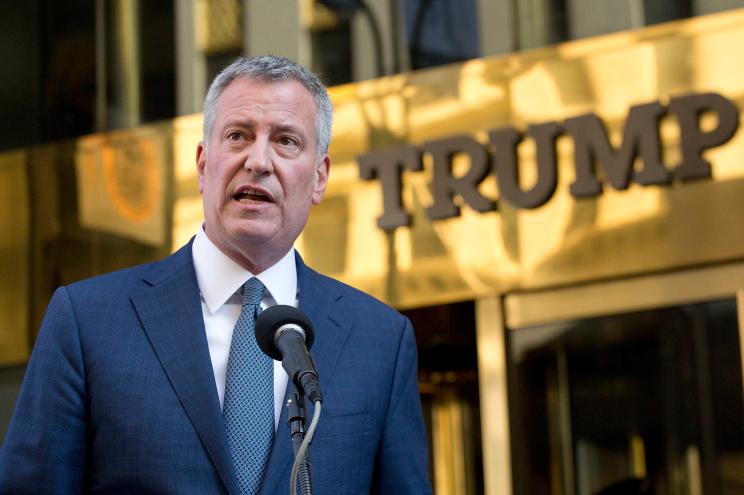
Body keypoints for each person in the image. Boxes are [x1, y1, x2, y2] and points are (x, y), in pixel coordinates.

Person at [0, 55, 431, 494]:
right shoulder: (87, 321)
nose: (258, 160)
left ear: (319, 178)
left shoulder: (380, 341)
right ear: (204, 164)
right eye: (238, 136)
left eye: (285, 141)